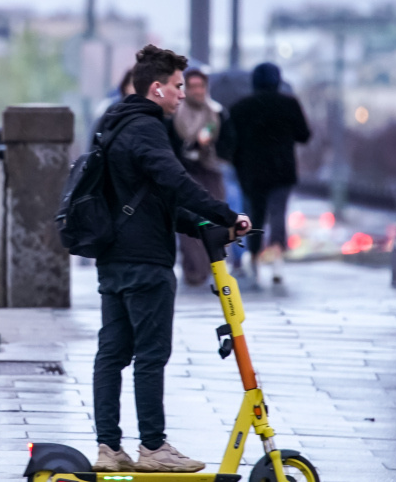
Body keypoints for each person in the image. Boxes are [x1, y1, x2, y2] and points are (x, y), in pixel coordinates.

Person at [91, 45, 251, 473]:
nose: (182, 93)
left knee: (112, 353)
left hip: (113, 258)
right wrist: (227, 214)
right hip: (145, 262)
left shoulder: (112, 123)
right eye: (178, 86)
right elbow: (176, 181)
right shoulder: (147, 128)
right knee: (150, 355)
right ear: (157, 88)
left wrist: (201, 225)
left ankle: (109, 447)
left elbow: (149, 200)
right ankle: (153, 447)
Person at [229, 62, 311, 287]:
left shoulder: (240, 107)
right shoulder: (289, 104)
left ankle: (254, 259)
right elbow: (304, 135)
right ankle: (277, 259)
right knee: (278, 214)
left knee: (255, 215)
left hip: (251, 172)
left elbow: (231, 144)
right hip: (282, 169)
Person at [169, 68, 235, 286]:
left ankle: (211, 265)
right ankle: (193, 269)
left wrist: (212, 147)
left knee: (214, 218)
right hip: (186, 172)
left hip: (211, 172)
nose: (197, 91)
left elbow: (229, 144)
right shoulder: (175, 114)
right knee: (189, 220)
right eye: (193, 86)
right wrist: (192, 146)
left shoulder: (217, 112)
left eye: (201, 86)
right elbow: (171, 145)